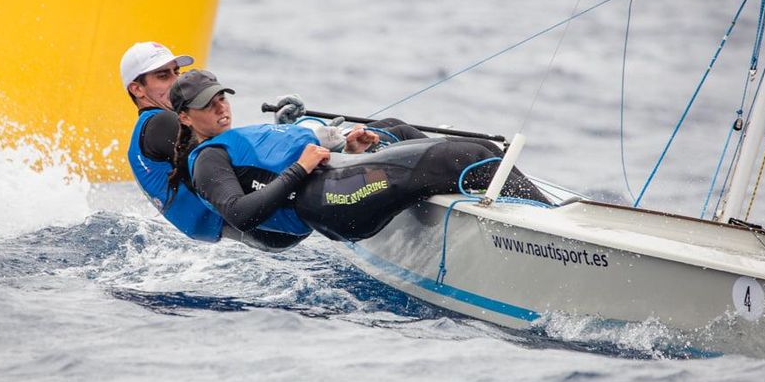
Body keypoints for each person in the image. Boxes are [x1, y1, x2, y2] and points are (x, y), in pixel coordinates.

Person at [168, 69, 550, 251]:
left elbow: (275, 166)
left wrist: (350, 150)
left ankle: (492, 208)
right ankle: (549, 227)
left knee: (393, 128)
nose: (220, 107)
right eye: (207, 104)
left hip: (337, 179)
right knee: (467, 155)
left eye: (222, 97)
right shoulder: (208, 160)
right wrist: (299, 169)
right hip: (328, 201)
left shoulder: (234, 138)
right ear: (185, 117)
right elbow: (240, 213)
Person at [121, 41, 224, 241]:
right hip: (242, 228)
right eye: (163, 76)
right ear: (137, 89)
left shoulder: (147, 130)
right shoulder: (162, 123)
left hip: (220, 237)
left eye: (177, 72)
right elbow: (231, 158)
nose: (177, 81)